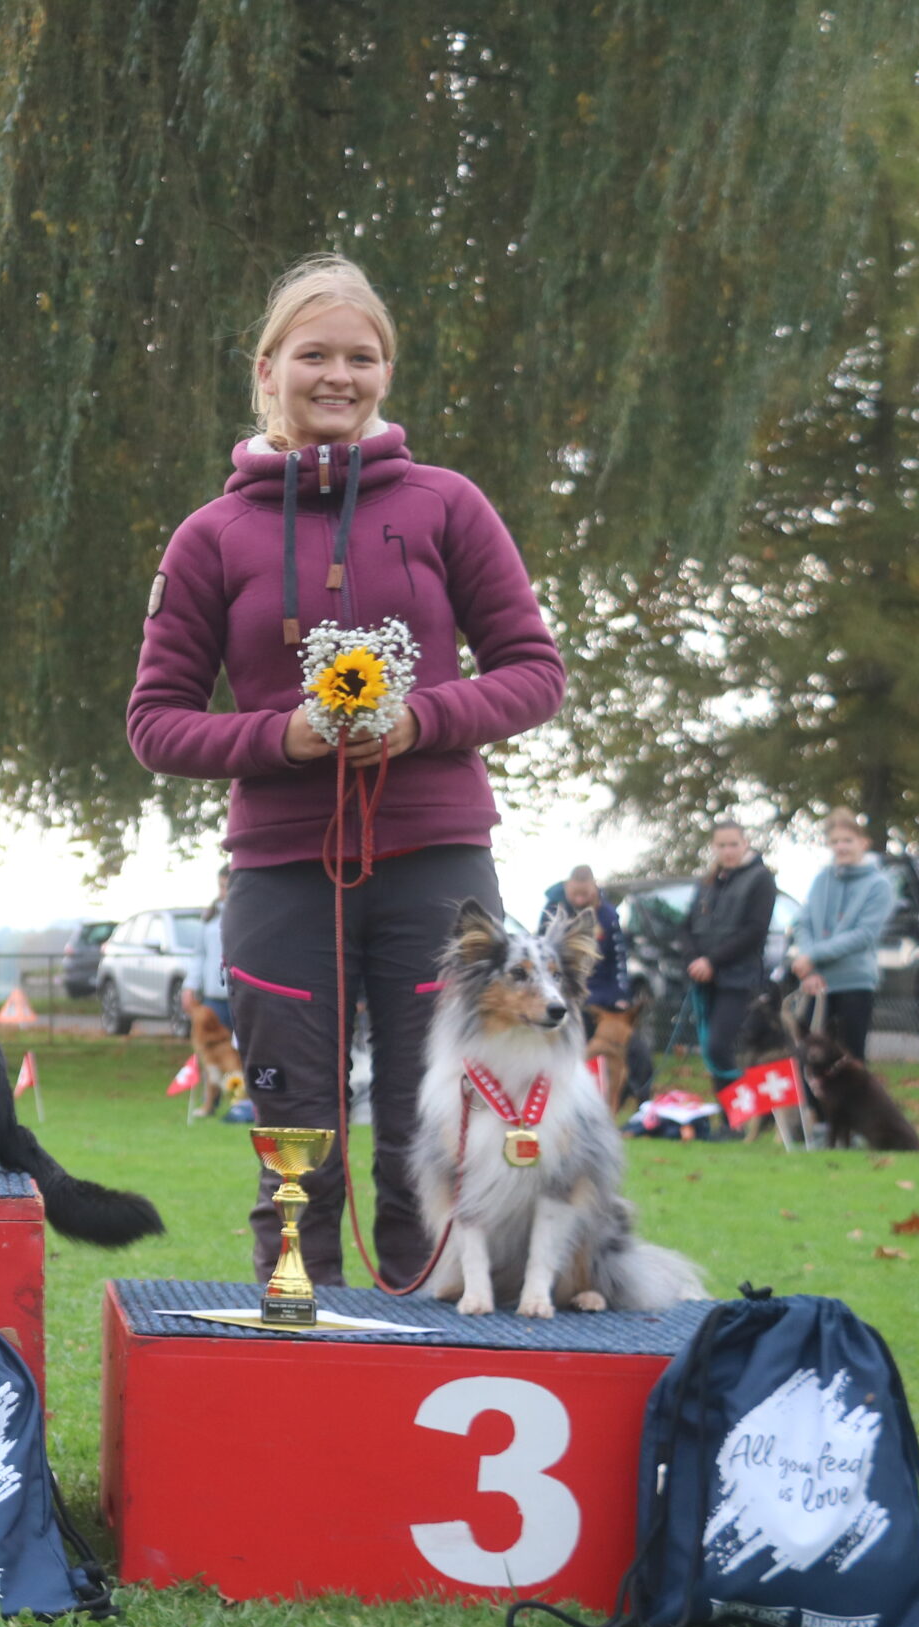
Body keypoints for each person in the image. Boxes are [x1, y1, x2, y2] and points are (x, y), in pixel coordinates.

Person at [127, 255, 564, 1289]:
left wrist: (421, 721)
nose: (338, 375)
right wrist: (277, 739)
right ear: (267, 368)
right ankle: (298, 1313)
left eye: (360, 357)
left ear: (385, 373)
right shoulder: (211, 535)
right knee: (294, 1120)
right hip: (281, 867)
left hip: (436, 864)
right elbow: (155, 724)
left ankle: (435, 1322)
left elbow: (534, 675)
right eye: (313, 354)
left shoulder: (448, 506)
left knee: (438, 1116)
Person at [676, 820, 778, 1112]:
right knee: (711, 1047)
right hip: (705, 979)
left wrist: (712, 960)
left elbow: (755, 930)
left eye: (733, 844)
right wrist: (693, 960)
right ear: (714, 847)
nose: (728, 850)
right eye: (722, 845)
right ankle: (732, 1114)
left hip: (739, 979)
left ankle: (740, 1113)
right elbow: (685, 926)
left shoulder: (760, 879)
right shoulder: (708, 882)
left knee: (720, 1046)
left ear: (745, 844)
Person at [788, 808, 893, 1063]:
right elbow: (803, 922)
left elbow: (864, 935)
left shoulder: (878, 885)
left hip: (854, 982)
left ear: (863, 843)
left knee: (849, 1058)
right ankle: (812, 1105)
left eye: (847, 840)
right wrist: (809, 968)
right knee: (809, 1057)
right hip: (816, 983)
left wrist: (812, 956)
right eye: (835, 842)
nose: (841, 847)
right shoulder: (821, 879)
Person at [541, 863, 649, 1099]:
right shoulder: (552, 910)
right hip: (564, 994)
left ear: (593, 889)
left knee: (636, 1051)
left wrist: (621, 996)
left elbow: (618, 959)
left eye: (585, 894)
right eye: (575, 893)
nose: (580, 899)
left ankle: (641, 1100)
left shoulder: (608, 915)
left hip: (602, 996)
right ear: (567, 888)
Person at [181, 866, 234, 1032]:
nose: (223, 892)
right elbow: (200, 954)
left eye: (228, 887)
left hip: (239, 999)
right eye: (221, 886)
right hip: (213, 999)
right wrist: (190, 986)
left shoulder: (247, 916)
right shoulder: (210, 917)